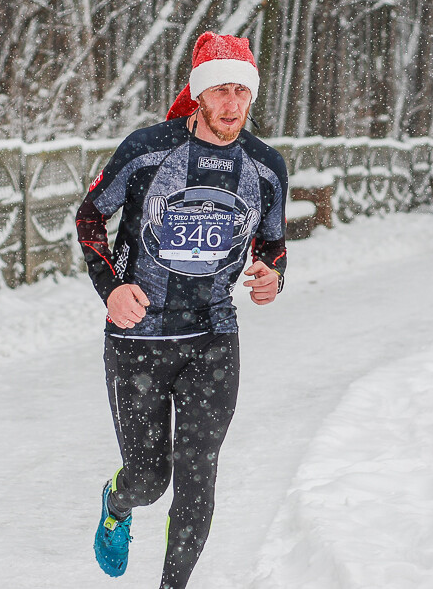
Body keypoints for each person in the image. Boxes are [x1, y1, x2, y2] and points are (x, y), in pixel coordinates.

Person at [75, 31, 287, 589]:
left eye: (242, 91)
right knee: (150, 480)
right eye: (220, 90)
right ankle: (118, 505)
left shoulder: (265, 167)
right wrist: (112, 288)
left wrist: (272, 276)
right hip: (139, 337)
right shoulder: (148, 150)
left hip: (214, 336)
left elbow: (270, 243)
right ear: (198, 95)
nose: (232, 104)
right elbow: (90, 217)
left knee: (198, 471)